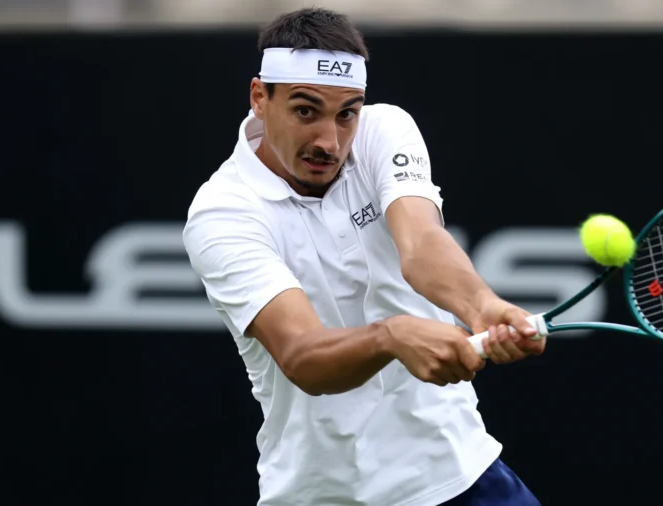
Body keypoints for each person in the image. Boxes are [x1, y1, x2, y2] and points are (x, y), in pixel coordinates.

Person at [183, 7, 544, 505]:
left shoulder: (384, 130)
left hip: (462, 476)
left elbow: (420, 245)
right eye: (306, 111)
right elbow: (303, 356)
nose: (329, 141)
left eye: (346, 113)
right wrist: (391, 336)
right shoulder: (222, 213)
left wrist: (482, 306)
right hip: (325, 496)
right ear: (259, 98)